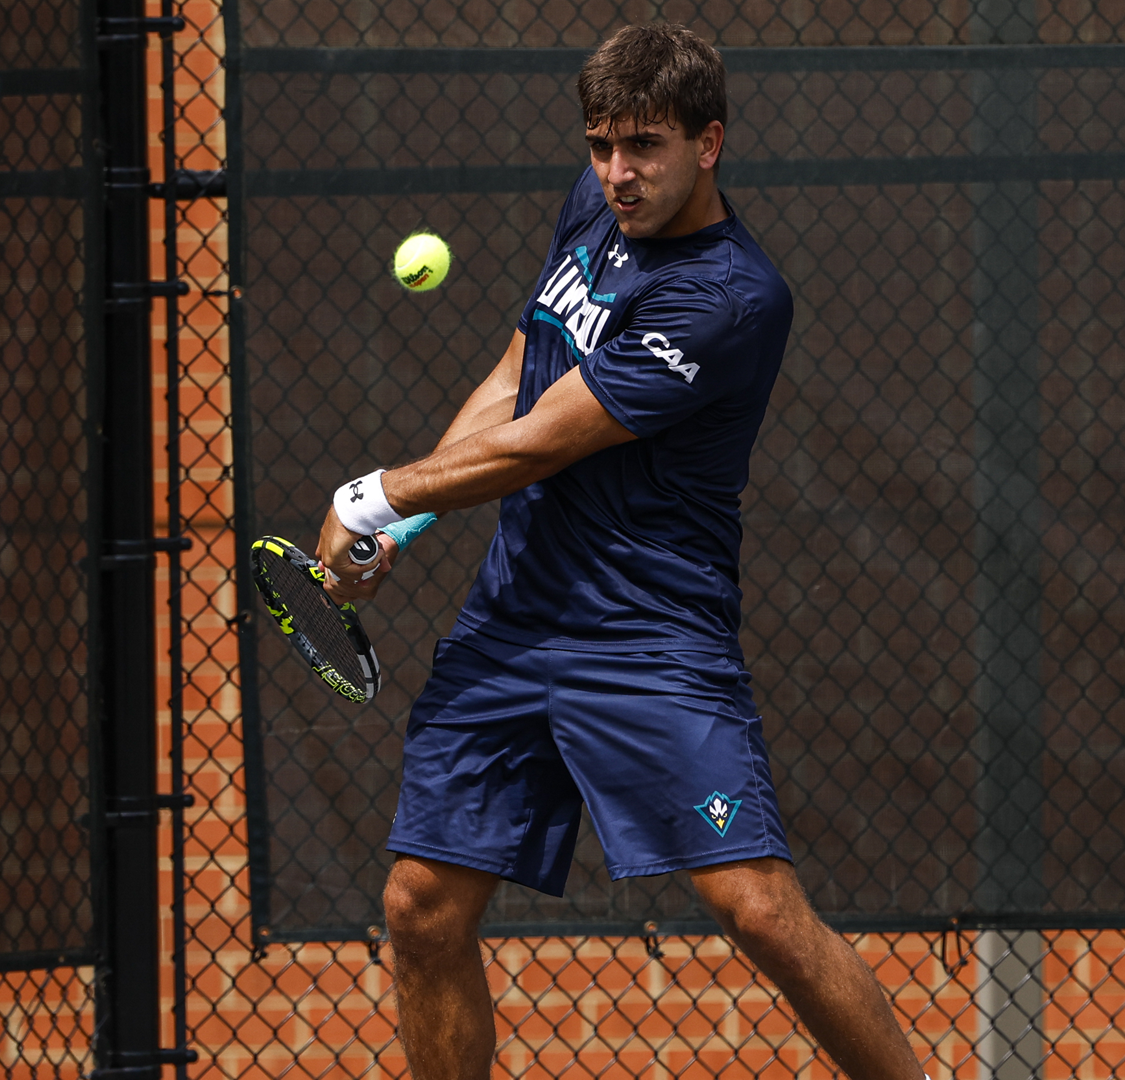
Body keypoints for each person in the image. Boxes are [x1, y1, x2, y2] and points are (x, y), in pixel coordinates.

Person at [313, 24, 927, 1080]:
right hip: (513, 622)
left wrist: (370, 493)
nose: (618, 173)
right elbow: (520, 376)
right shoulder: (594, 211)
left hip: (646, 638)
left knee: (761, 914)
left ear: (710, 141)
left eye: (643, 146)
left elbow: (553, 437)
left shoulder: (728, 298)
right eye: (601, 144)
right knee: (419, 908)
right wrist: (401, 523)